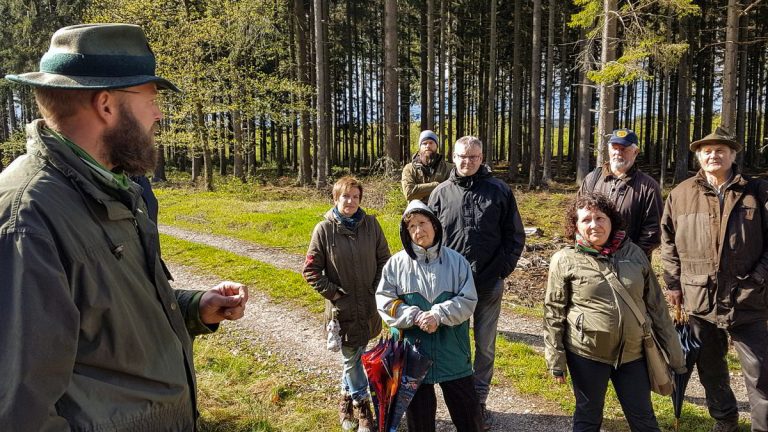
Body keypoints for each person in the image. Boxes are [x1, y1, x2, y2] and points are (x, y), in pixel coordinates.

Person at [0, 24, 248, 430]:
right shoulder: (26, 218)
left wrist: (190, 308)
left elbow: (99, 320)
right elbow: (18, 411)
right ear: (106, 105)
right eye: (150, 98)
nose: (159, 114)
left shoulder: (111, 187)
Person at [545, 193, 685, 432]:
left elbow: (657, 307)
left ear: (611, 221)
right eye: (586, 219)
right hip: (586, 353)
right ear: (575, 225)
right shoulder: (564, 259)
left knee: (644, 419)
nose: (594, 225)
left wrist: (675, 357)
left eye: (600, 218)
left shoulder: (634, 254)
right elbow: (554, 313)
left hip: (634, 354)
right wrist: (556, 360)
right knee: (588, 417)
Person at [661, 126, 768, 432]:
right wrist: (673, 283)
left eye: (721, 150)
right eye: (707, 150)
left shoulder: (758, 191)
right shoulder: (681, 194)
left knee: (760, 371)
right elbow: (668, 242)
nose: (713, 155)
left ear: (733, 155)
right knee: (710, 368)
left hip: (748, 297)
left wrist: (758, 278)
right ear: (698, 155)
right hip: (699, 299)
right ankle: (725, 420)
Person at [428, 135, 526, 429]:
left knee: (484, 346)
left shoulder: (499, 191)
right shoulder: (440, 194)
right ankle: (460, 401)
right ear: (453, 158)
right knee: (455, 347)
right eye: (461, 156)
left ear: (481, 158)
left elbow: (515, 235)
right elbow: (429, 240)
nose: (466, 162)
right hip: (451, 288)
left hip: (488, 284)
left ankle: (479, 401)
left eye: (472, 157)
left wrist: (502, 269)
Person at [376, 200, 482, 432]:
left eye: (422, 223)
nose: (418, 230)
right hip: (412, 355)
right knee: (419, 423)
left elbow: (468, 300)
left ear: (435, 225)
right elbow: (384, 301)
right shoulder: (395, 265)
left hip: (453, 352)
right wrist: (413, 315)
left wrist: (438, 315)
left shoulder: (457, 262)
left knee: (469, 417)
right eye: (411, 226)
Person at [302, 176, 390, 432]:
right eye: (345, 197)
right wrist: (334, 294)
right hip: (342, 311)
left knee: (353, 359)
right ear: (335, 198)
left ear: (360, 199)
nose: (350, 201)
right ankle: (363, 409)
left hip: (370, 306)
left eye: (355, 197)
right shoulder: (324, 230)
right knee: (352, 360)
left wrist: (375, 290)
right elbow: (311, 270)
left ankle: (344, 400)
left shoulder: (372, 225)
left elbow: (385, 260)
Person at [578, 128, 663, 257]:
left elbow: (653, 231)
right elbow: (577, 216)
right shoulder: (592, 179)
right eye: (615, 147)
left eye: (624, 149)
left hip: (628, 264)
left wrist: (633, 257)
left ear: (635, 152)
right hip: (591, 260)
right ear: (609, 149)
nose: (618, 153)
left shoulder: (648, 187)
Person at [401, 129, 454, 203]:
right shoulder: (409, 168)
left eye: (431, 143)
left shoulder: (449, 168)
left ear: (437, 145)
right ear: (420, 146)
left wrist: (420, 190)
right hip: (418, 211)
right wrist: (437, 185)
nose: (428, 146)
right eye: (424, 143)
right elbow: (409, 192)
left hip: (441, 210)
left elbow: (453, 191)